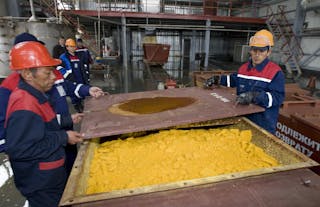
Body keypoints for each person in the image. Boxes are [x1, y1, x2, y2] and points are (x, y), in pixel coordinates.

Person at [0, 32, 105, 175]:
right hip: (42, 160)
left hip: (62, 140)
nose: (52, 77)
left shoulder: (48, 75)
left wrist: (88, 90)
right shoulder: (16, 92)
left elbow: (68, 87)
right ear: (27, 72)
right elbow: (22, 140)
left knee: (71, 174)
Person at [5, 41, 84, 207]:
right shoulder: (24, 104)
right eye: (47, 73)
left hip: (49, 176)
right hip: (42, 183)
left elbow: (44, 126)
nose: (53, 77)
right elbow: (21, 149)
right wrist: (63, 137)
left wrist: (68, 120)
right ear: (27, 74)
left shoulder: (36, 96)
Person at [205, 29, 285, 134]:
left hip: (262, 124)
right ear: (250, 50)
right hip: (242, 119)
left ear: (268, 52)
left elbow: (277, 98)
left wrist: (254, 96)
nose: (257, 54)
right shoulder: (244, 68)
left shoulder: (275, 72)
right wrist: (217, 79)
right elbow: (235, 80)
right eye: (254, 50)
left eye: (261, 51)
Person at [58, 38, 90, 112]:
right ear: (67, 47)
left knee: (82, 89)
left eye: (74, 46)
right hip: (71, 78)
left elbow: (83, 66)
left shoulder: (78, 55)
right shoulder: (63, 57)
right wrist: (67, 76)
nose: (73, 48)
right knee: (74, 92)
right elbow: (60, 68)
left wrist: (86, 76)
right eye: (71, 46)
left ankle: (81, 104)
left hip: (80, 76)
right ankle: (76, 105)